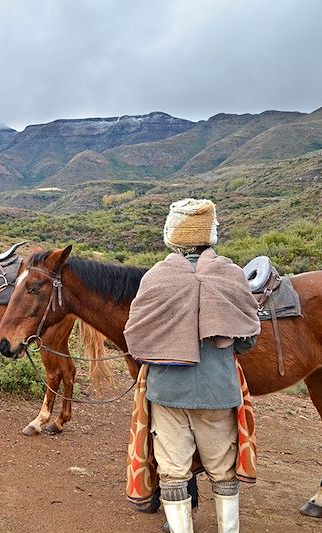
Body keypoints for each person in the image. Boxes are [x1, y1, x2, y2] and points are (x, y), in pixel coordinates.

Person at [124, 198, 261, 533]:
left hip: (167, 392)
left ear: (174, 235)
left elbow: (136, 341)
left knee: (172, 472)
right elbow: (247, 340)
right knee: (224, 471)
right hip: (219, 392)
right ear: (208, 233)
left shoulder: (156, 277)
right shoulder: (230, 273)